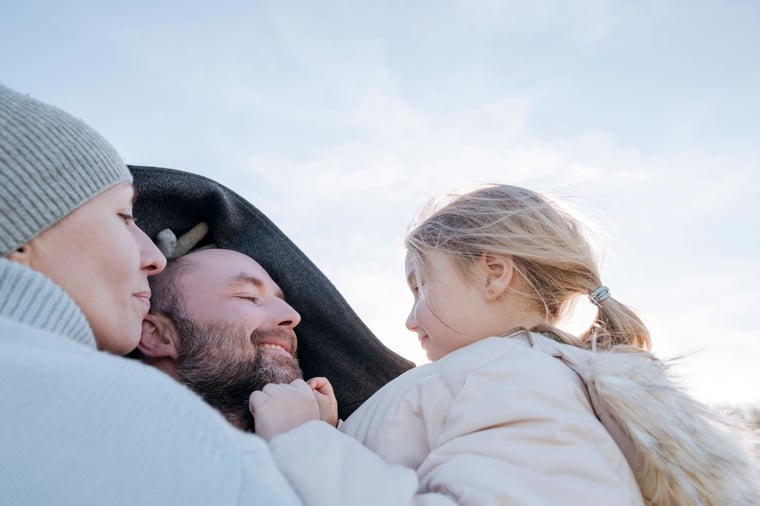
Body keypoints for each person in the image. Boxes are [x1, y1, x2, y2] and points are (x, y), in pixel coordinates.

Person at [249, 184, 760, 505]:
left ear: (493, 273)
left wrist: (301, 440)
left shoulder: (514, 373)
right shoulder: (510, 376)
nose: (410, 319)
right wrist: (336, 432)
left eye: (420, 287)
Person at [0, 83, 301, 504]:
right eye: (124, 216)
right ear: (19, 232)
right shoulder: (145, 427)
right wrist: (308, 449)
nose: (153, 258)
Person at [137, 247, 338, 431]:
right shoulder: (121, 443)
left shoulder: (343, 434)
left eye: (281, 301)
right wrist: (303, 441)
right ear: (158, 336)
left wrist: (327, 434)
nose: (293, 316)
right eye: (248, 296)